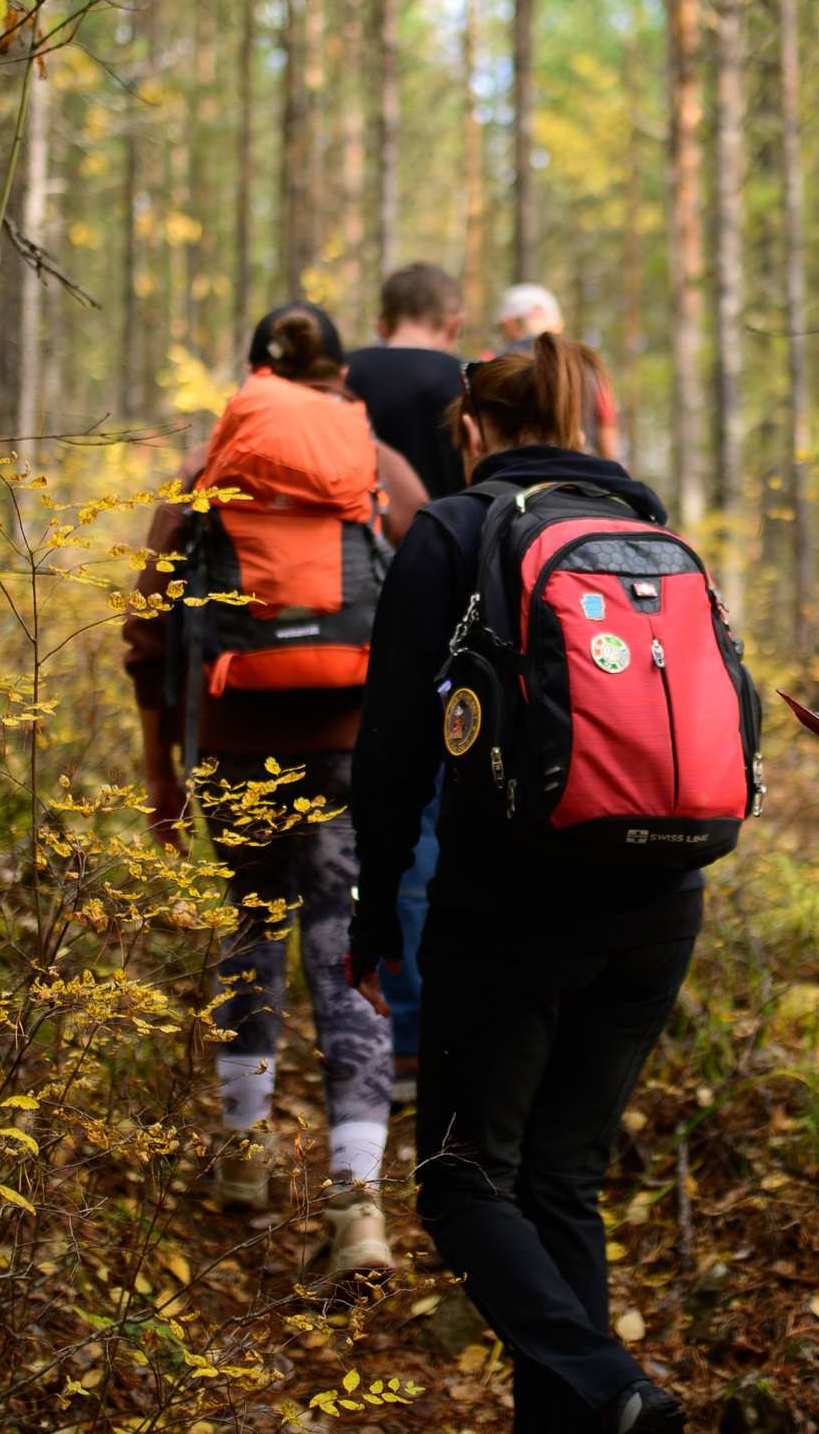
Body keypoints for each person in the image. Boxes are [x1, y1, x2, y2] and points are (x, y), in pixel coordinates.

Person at [346, 335, 690, 1434]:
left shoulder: (451, 529)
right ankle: (590, 1419)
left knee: (457, 1178)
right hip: (660, 905)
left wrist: (371, 916)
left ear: (467, 431)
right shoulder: (650, 533)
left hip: (510, 909)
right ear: (581, 423)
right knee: (558, 1179)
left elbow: (394, 750)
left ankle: (608, 1390)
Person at [122, 302, 428, 1284]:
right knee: (346, 951)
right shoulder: (375, 469)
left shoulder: (211, 468)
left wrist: (163, 772)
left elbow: (147, 639)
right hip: (348, 747)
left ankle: (243, 1156)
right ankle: (357, 1201)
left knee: (251, 926)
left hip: (233, 741)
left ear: (255, 372)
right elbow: (429, 598)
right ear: (340, 377)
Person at [343, 264, 468, 1098]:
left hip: (343, 627)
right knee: (434, 826)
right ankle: (421, 1037)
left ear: (383, 315)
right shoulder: (467, 384)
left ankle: (368, 1014)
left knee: (373, 820)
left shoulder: (344, 379)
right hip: (458, 628)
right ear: (451, 319)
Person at [348, 262, 470, 500]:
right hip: (449, 533)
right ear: (454, 324)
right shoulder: (467, 378)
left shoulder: (341, 373)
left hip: (352, 532)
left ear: (381, 326)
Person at [495, 283, 622, 460]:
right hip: (580, 475)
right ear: (557, 324)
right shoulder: (590, 368)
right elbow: (607, 435)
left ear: (508, 323)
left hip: (510, 477)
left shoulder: (488, 364)